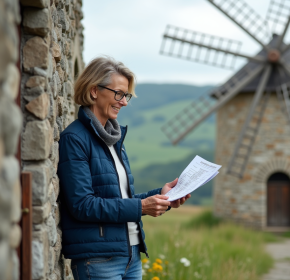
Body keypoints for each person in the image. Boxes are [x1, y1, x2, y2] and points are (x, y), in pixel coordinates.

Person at [57, 56, 191, 280]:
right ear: (94, 91)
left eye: (126, 95)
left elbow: (120, 199)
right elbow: (82, 205)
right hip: (99, 260)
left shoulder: (114, 139)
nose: (124, 102)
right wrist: (141, 207)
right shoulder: (74, 139)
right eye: (119, 94)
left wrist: (161, 196)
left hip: (131, 254)